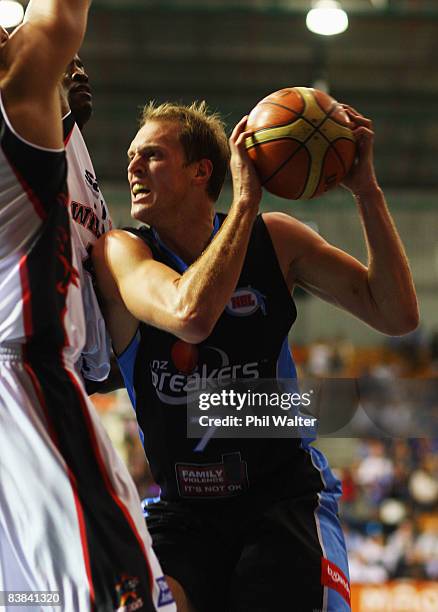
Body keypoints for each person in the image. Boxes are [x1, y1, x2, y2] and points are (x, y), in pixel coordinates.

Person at [92, 100, 418, 611]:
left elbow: (396, 315)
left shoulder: (276, 240)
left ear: (202, 171)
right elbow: (190, 314)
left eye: (151, 155)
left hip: (282, 497)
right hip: (185, 509)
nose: (131, 166)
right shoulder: (121, 252)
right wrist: (245, 205)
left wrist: (367, 192)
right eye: (133, 156)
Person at [0, 3, 175, 610]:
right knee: (124, 598)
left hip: (44, 372)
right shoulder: (19, 115)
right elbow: (57, 20)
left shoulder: (57, 139)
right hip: (22, 382)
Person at [61, 54, 124, 393]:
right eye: (66, 64)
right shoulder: (37, 142)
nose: (80, 73)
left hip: (75, 375)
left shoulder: (80, 156)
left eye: (82, 64)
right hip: (35, 364)